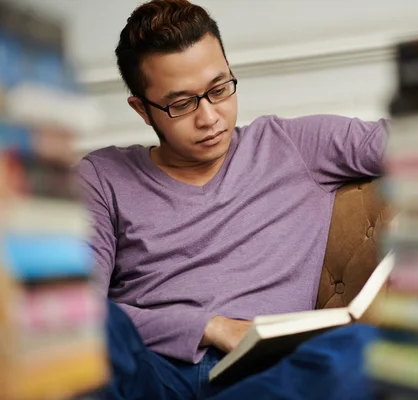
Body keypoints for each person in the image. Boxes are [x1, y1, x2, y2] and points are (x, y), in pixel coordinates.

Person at [77, 0, 387, 398]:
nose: (209, 117)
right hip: (152, 374)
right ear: (142, 110)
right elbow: (78, 308)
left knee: (361, 350)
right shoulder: (103, 176)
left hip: (263, 376)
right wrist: (209, 327)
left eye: (219, 89)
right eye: (182, 103)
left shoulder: (294, 146)